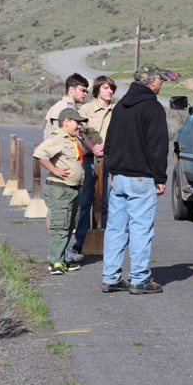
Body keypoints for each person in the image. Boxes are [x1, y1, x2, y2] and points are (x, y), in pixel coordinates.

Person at [101, 65, 170, 294]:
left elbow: (109, 140)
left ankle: (111, 276)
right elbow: (158, 147)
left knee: (115, 228)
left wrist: (112, 170)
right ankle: (139, 278)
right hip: (141, 177)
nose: (161, 84)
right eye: (160, 80)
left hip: (118, 176)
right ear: (151, 82)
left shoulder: (121, 105)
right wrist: (160, 176)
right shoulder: (153, 108)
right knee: (140, 228)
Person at [67, 75, 117, 262]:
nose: (110, 91)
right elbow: (80, 131)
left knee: (107, 201)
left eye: (111, 88)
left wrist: (106, 146)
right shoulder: (86, 109)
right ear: (98, 90)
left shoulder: (116, 110)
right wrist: (93, 147)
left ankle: (106, 240)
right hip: (89, 159)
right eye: (106, 88)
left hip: (108, 160)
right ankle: (81, 240)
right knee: (85, 201)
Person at [33, 108, 88, 275]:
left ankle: (61, 258)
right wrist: (54, 169)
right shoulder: (58, 138)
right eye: (76, 122)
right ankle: (55, 261)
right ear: (66, 122)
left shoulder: (73, 139)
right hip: (60, 189)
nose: (79, 125)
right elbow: (39, 153)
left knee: (69, 225)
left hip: (73, 189)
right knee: (59, 226)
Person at [43, 72, 89, 140]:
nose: (85, 94)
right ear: (71, 89)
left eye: (87, 92)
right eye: (83, 90)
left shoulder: (58, 106)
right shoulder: (67, 109)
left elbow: (45, 135)